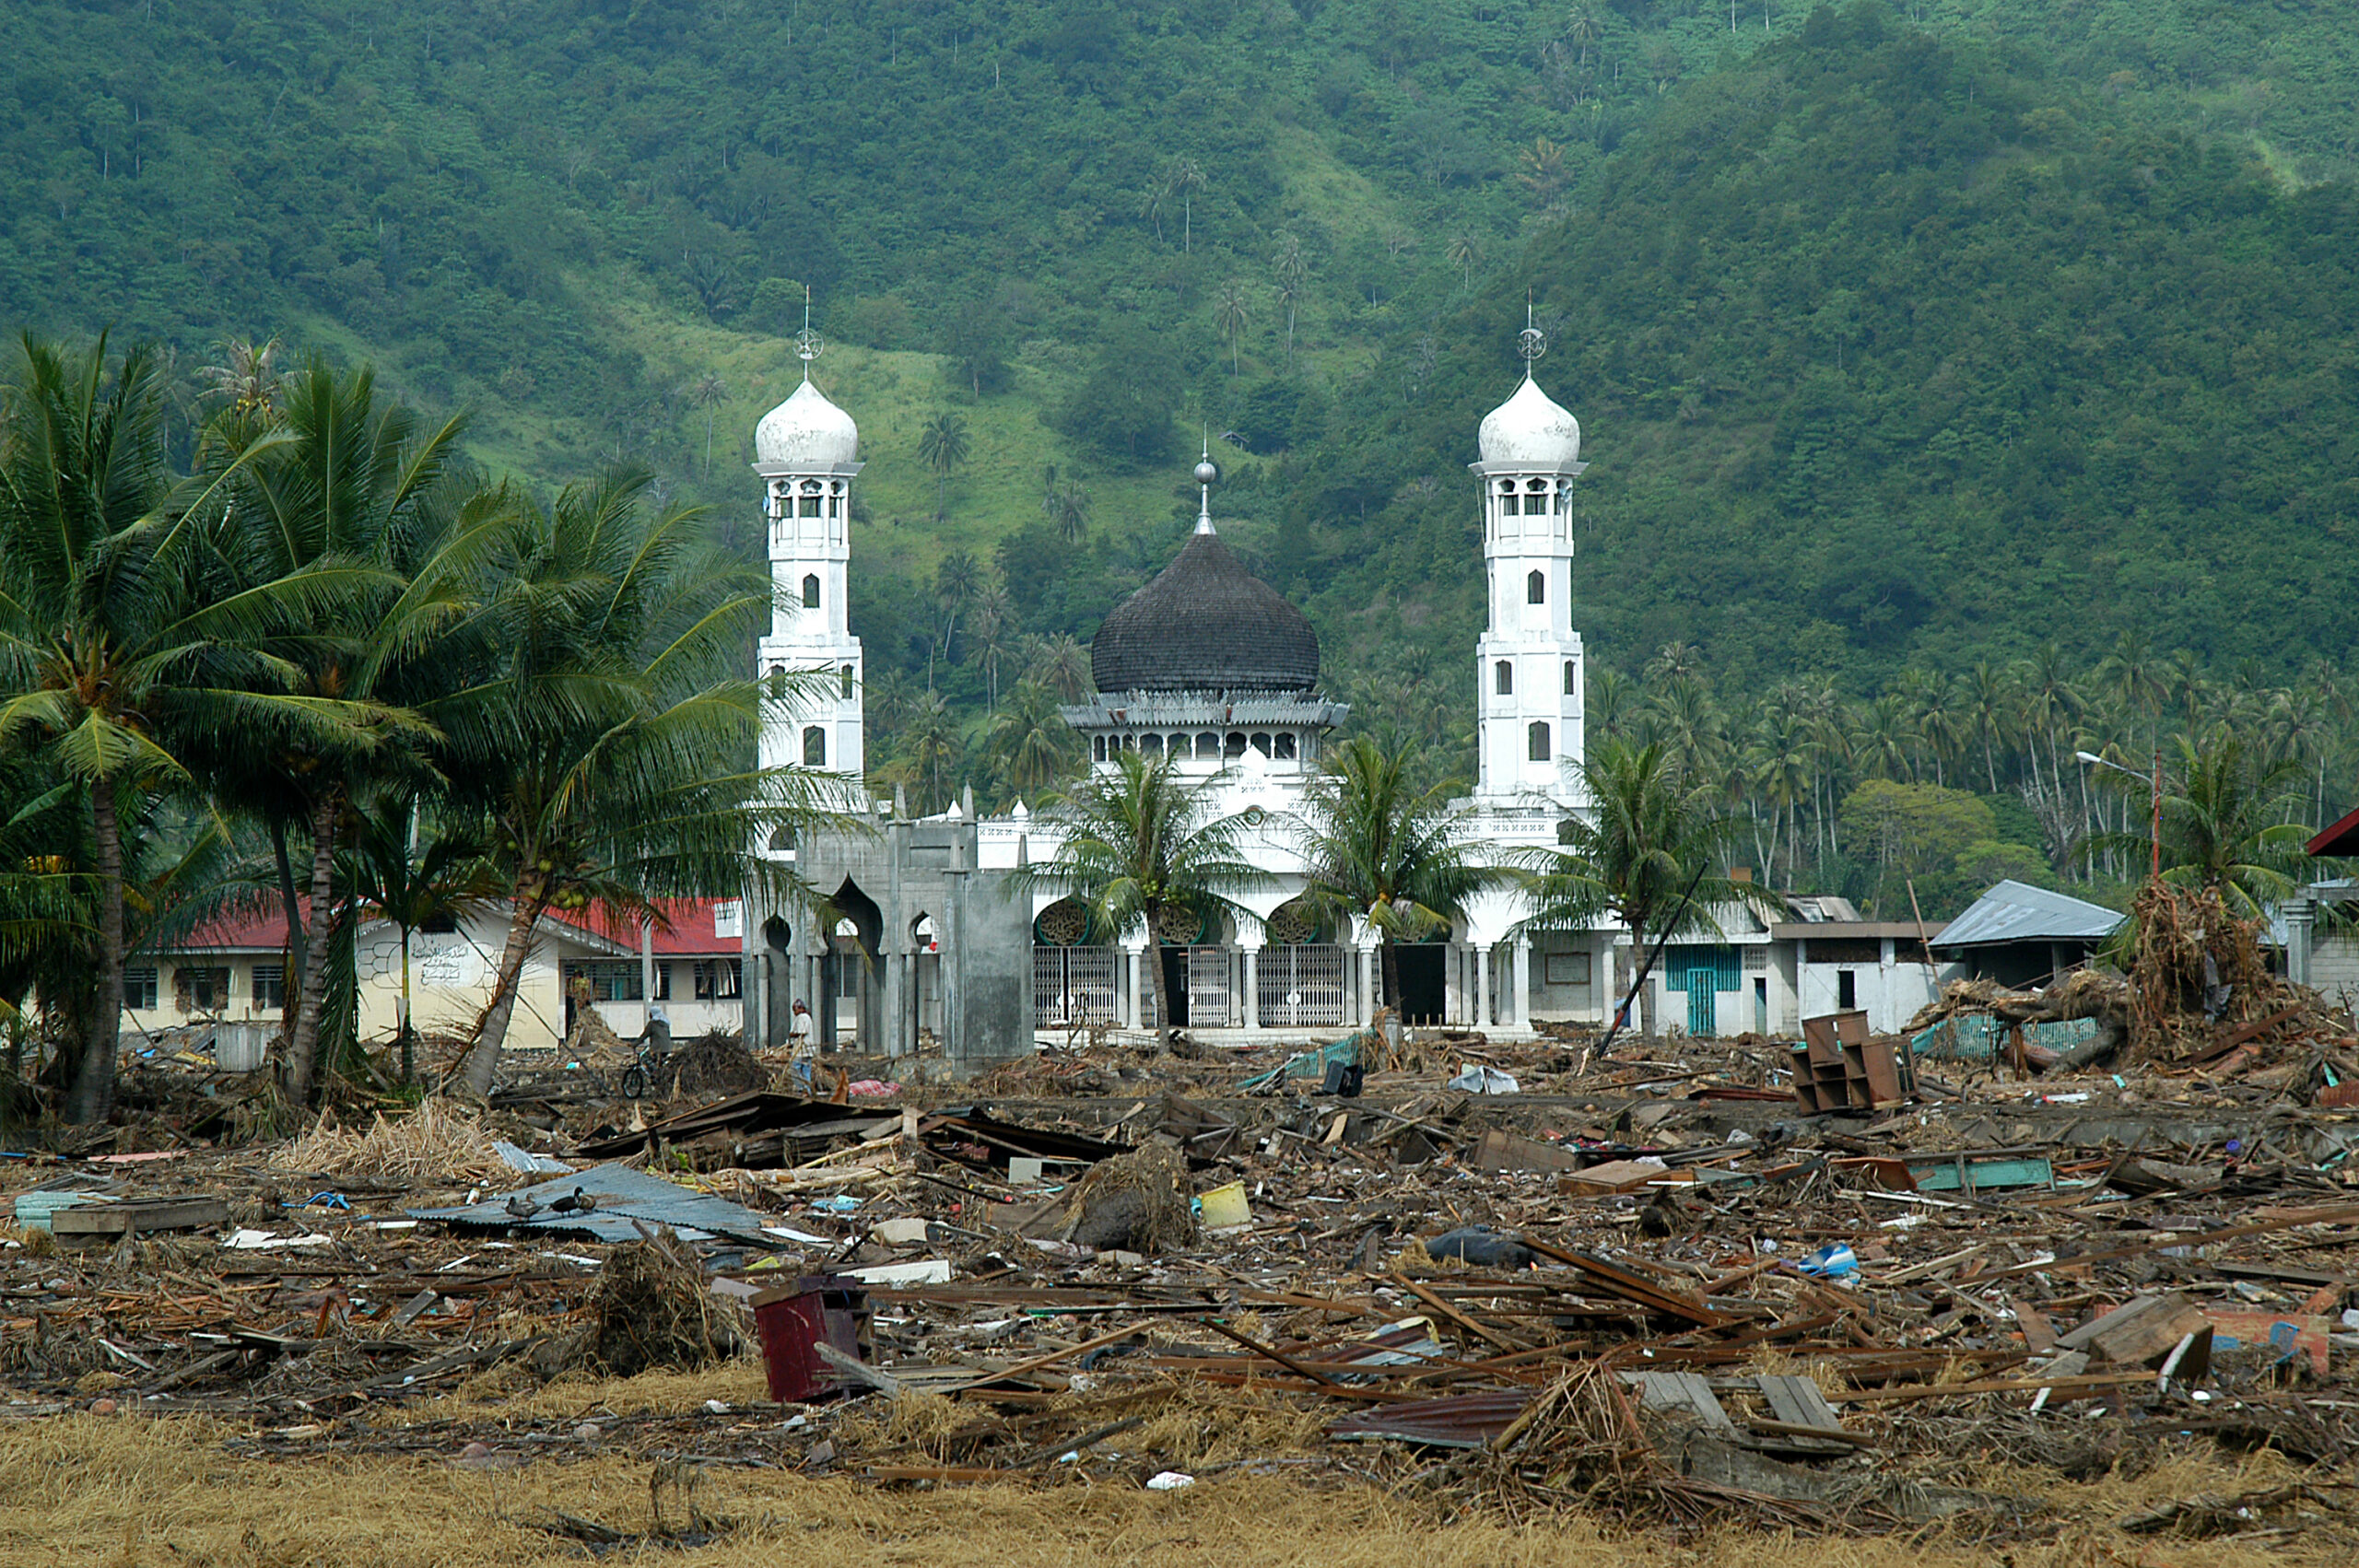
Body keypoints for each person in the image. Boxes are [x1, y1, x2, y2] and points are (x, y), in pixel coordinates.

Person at [789, 1000, 816, 1089]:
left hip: (801, 1050)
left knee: (794, 1070)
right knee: (806, 1073)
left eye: (795, 1010)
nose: (794, 1013)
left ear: (800, 1009)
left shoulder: (801, 1017)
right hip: (809, 1050)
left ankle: (801, 1089)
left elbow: (801, 1032)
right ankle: (807, 1090)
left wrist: (792, 1034)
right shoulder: (808, 1017)